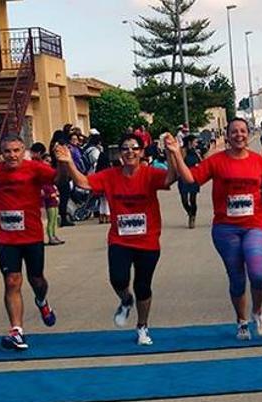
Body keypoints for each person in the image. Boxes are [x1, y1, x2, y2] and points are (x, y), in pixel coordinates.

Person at [58, 133, 183, 346]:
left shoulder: (150, 174)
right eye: (125, 148)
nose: (130, 152)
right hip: (120, 240)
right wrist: (69, 162)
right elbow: (84, 183)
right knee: (118, 279)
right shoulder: (110, 175)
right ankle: (126, 300)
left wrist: (173, 153)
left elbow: (170, 177)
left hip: (148, 240)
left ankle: (142, 326)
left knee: (143, 285)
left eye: (134, 148)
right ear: (120, 153)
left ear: (142, 152)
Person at [171, 118, 262, 340]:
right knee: (237, 278)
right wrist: (175, 154)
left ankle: (257, 312)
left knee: (258, 274)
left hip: (254, 225)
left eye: (242, 131)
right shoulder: (216, 161)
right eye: (234, 131)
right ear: (227, 136)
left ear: (248, 134)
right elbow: (191, 178)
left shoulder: (258, 161)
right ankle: (241, 321)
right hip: (226, 229)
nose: (239, 134)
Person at [0, 134, 59, 351]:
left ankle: (41, 301)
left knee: (36, 280)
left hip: (32, 236)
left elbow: (57, 178)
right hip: (7, 238)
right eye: (7, 151)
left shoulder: (35, 168)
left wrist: (64, 162)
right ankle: (16, 330)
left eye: (16, 150)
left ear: (23, 150)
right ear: (2, 153)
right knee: (12, 281)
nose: (12, 155)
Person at [179, 135, 202, 229]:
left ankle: (192, 217)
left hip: (193, 179)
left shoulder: (197, 152)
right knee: (184, 200)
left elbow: (202, 162)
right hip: (183, 179)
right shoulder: (182, 151)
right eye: (195, 142)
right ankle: (190, 212)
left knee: (193, 200)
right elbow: (178, 162)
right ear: (189, 142)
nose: (196, 143)